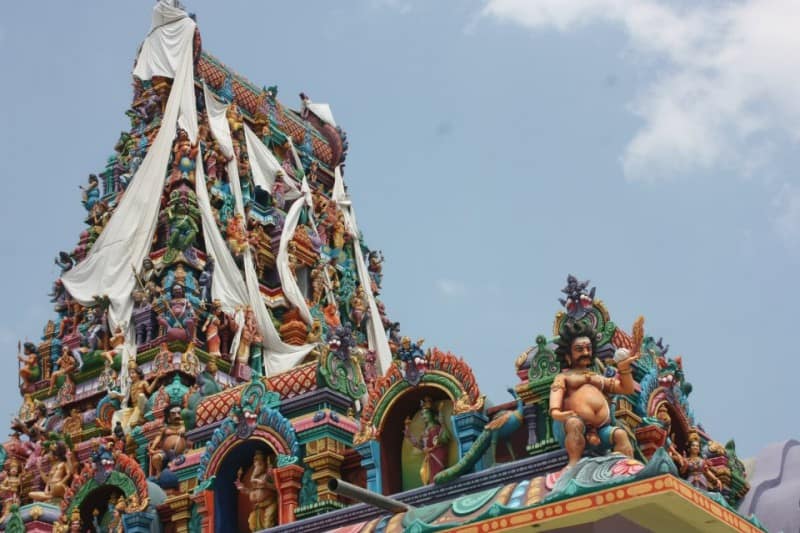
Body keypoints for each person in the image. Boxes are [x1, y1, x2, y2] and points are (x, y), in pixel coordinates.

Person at [548, 322, 636, 468]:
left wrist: (624, 368)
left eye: (588, 348)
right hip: (572, 427)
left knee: (621, 434)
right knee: (574, 424)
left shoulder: (597, 378)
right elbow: (554, 410)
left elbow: (627, 389)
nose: (585, 352)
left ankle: (628, 468)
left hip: (600, 430)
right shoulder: (563, 378)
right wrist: (562, 415)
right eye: (579, 349)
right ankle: (573, 464)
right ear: (568, 355)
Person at [404, 397, 449, 484]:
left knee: (437, 477)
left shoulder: (436, 428)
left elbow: (440, 441)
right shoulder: (425, 432)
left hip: (437, 456)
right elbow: (420, 446)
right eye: (422, 415)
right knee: (427, 477)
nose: (423, 416)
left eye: (425, 414)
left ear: (431, 414)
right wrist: (409, 433)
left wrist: (441, 415)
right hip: (429, 459)